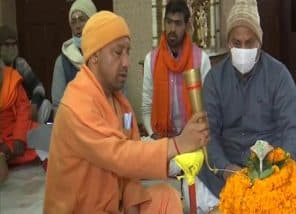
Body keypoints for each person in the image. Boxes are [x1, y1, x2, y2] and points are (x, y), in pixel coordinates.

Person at [44, 11, 209, 213]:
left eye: (127, 52)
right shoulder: (76, 103)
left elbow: (131, 166)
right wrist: (177, 144)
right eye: (117, 52)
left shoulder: (122, 105)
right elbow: (120, 155)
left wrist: (131, 203)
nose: (126, 62)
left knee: (166, 197)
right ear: (95, 56)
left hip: (115, 204)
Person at [192, 0, 296, 212]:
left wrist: (276, 168)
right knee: (195, 194)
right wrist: (225, 169)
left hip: (271, 173)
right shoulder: (214, 79)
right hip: (226, 174)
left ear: (259, 43)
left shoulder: (279, 75)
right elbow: (207, 133)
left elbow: (294, 131)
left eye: (249, 43)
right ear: (228, 43)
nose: (243, 49)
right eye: (236, 42)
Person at [141, 0, 211, 140]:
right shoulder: (151, 59)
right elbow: (146, 106)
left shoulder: (201, 59)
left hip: (193, 138)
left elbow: (208, 107)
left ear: (186, 26)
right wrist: (152, 134)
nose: (172, 29)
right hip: (160, 139)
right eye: (169, 22)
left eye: (178, 23)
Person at [51, 0, 97, 112]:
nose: (77, 26)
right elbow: (58, 106)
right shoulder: (62, 62)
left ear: (93, 21)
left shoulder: (107, 54)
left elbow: (121, 100)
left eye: (82, 20)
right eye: (73, 21)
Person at [0, 25, 51, 123]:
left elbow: (38, 87)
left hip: (21, 109)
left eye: (14, 44)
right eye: (7, 45)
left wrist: (35, 103)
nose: (11, 48)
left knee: (45, 104)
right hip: (4, 113)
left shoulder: (20, 63)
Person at [0, 59, 38, 166]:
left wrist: (19, 137)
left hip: (18, 128)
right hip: (2, 139)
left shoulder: (11, 78)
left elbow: (24, 109)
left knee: (48, 137)